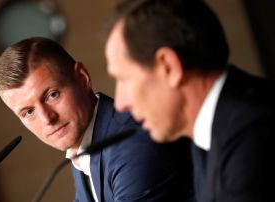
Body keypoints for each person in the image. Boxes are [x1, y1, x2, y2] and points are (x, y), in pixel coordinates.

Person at [104, 0, 275, 201]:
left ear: (169, 67)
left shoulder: (251, 134)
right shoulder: (208, 130)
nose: (120, 103)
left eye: (124, 79)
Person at [0, 37, 194, 202]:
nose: (47, 119)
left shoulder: (130, 141)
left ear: (82, 78)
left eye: (52, 95)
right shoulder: (83, 152)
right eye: (28, 112)